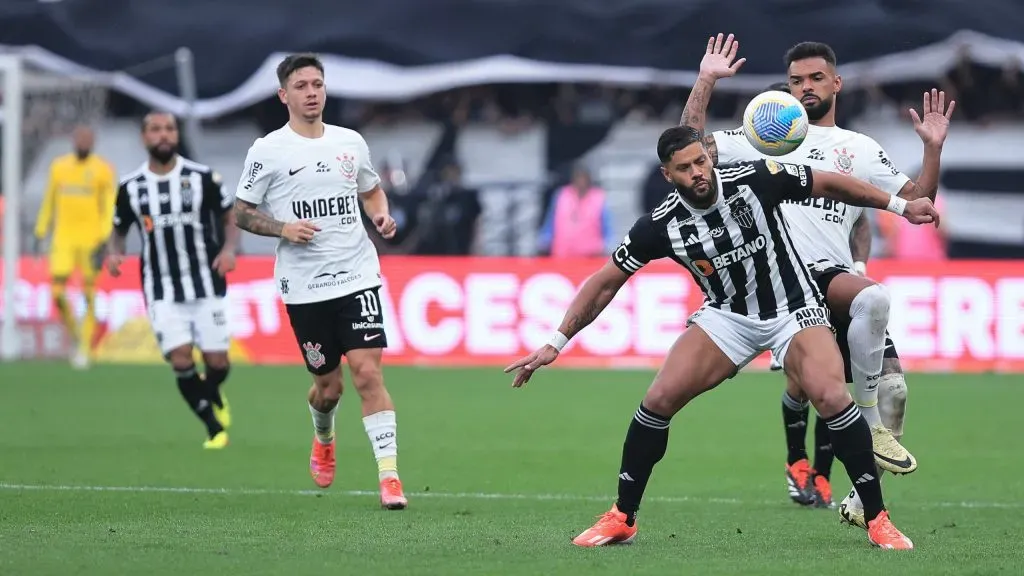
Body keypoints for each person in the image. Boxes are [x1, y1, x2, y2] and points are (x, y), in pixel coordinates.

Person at [506, 125, 938, 549]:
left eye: (701, 161)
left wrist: (900, 207)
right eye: (685, 168)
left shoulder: (755, 178)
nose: (698, 172)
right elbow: (604, 282)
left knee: (830, 396)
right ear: (668, 175)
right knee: (657, 401)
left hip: (794, 307)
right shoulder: (660, 225)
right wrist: (556, 342)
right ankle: (623, 516)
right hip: (728, 316)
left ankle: (878, 518)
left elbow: (828, 182)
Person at [680, 35, 953, 519]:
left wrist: (931, 150)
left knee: (895, 391)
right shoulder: (759, 138)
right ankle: (853, 431)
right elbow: (687, 146)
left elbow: (919, 205)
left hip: (835, 275)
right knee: (857, 326)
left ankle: (856, 499)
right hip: (790, 285)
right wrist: (705, 80)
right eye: (795, 80)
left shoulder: (859, 149)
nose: (805, 88)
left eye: (815, 78)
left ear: (836, 83)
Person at [232, 53, 407, 510]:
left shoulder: (350, 142)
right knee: (329, 388)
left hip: (357, 275)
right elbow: (242, 212)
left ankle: (389, 477)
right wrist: (282, 229)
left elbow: (370, 189)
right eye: (302, 85)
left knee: (368, 372)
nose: (312, 92)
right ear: (283, 95)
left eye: (318, 84)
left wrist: (380, 214)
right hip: (305, 287)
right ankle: (323, 435)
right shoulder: (268, 150)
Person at [107, 112, 237, 450]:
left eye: (169, 129)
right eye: (155, 129)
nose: (163, 135)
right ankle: (213, 427)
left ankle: (211, 392)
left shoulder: (202, 177)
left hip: (206, 283)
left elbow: (229, 215)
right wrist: (115, 253)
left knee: (218, 363)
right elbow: (118, 230)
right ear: (144, 137)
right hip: (161, 288)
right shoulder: (131, 187)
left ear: (176, 135)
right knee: (180, 359)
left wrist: (230, 249)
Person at [34, 126, 117, 369]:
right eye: (80, 138)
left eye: (87, 138)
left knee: (89, 293)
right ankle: (76, 335)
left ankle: (84, 349)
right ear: (73, 140)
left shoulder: (102, 169)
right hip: (63, 239)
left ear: (93, 141)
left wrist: (104, 239)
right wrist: (40, 231)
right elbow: (49, 200)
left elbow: (109, 205)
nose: (83, 142)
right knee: (57, 293)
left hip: (91, 240)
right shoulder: (59, 167)